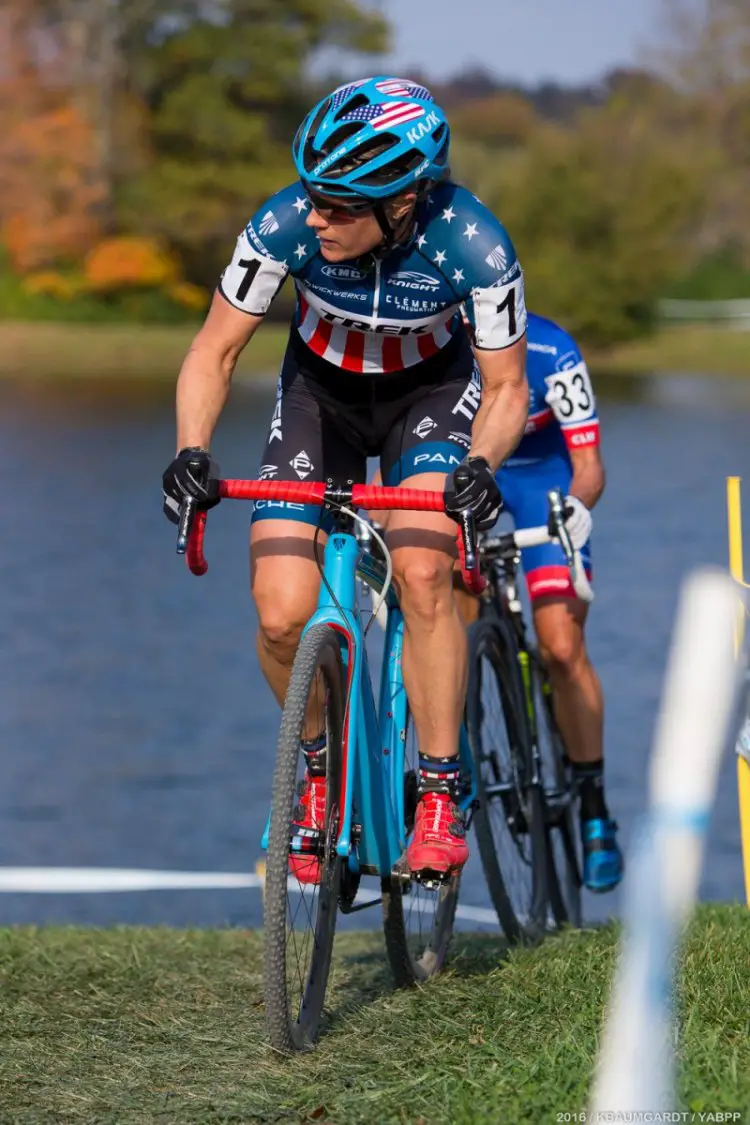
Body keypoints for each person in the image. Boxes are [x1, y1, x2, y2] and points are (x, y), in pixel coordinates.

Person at [161, 76, 529, 883]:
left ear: (401, 201)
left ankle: (438, 789)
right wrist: (192, 449)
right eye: (313, 197)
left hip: (430, 399)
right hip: (319, 397)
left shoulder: (474, 243)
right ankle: (319, 772)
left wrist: (479, 468)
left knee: (428, 568)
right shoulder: (284, 222)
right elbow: (213, 351)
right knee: (280, 608)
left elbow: (506, 389)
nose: (317, 215)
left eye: (339, 205)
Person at [458, 310, 623, 893]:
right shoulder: (437, 343)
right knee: (447, 622)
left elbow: (589, 467)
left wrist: (574, 509)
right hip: (471, 475)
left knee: (559, 644)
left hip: (546, 480)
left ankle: (594, 806)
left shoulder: (553, 350)